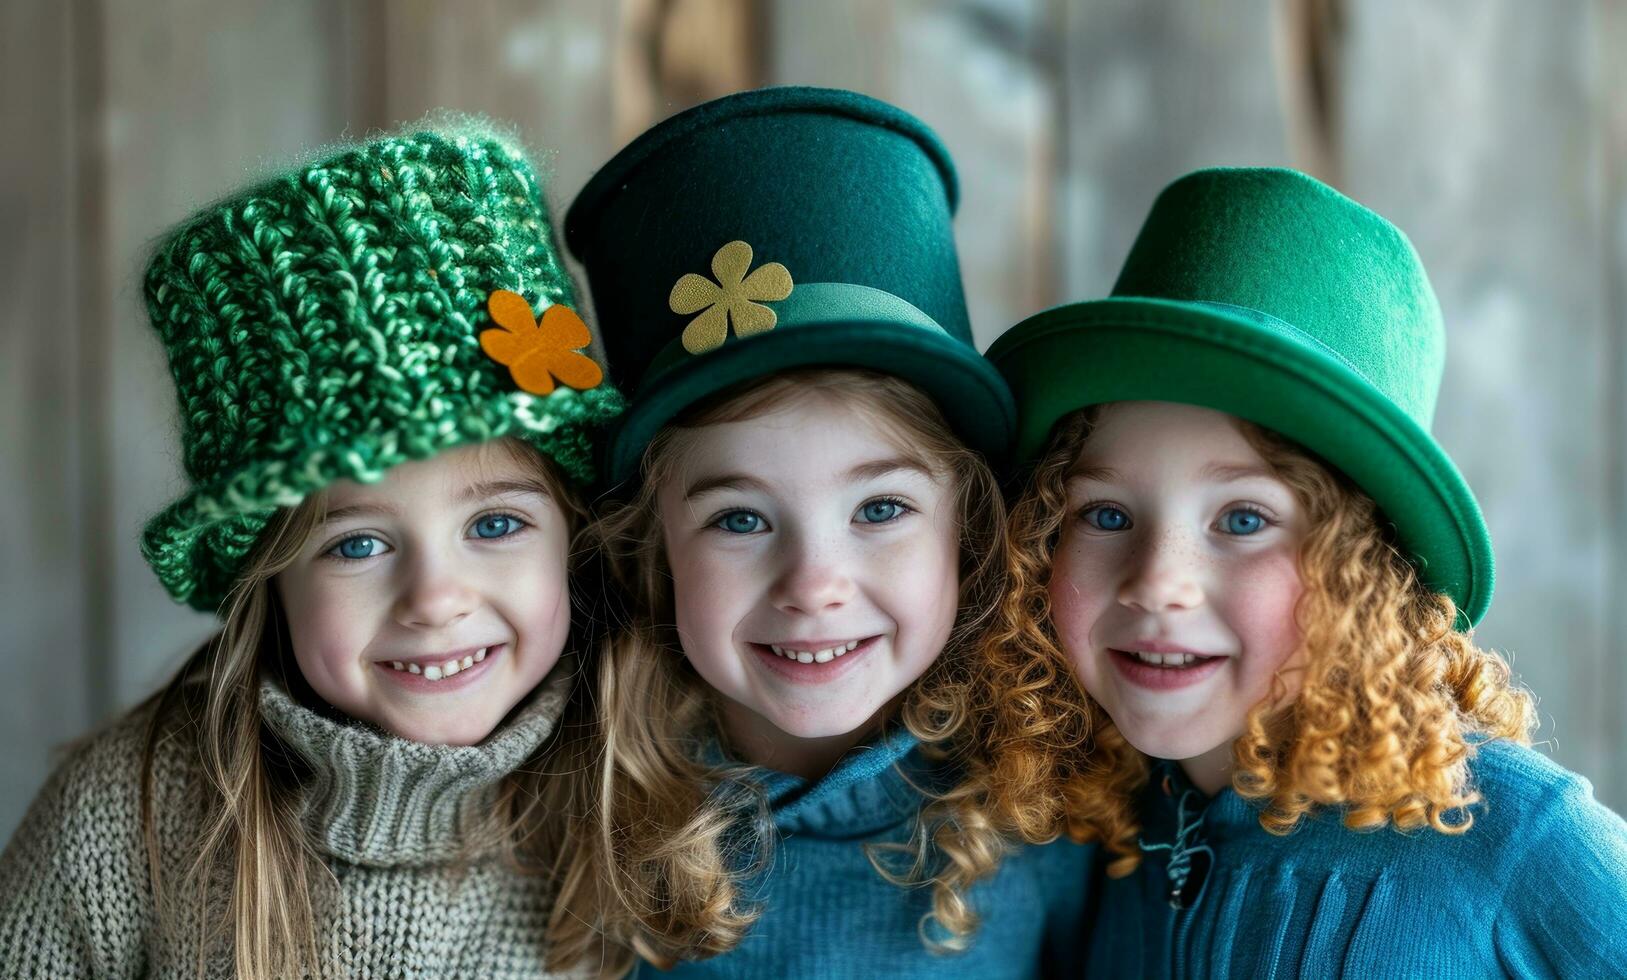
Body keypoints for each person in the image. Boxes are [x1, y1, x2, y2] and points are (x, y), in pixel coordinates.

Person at [0, 118, 622, 979]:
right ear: (271, 576)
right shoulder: (128, 815)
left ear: (574, 532)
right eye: (357, 543)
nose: (435, 598)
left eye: (493, 525)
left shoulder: (620, 791)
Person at [978, 166, 1627, 977]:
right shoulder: (1102, 836)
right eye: (1105, 515)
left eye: (1243, 520)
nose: (1155, 581)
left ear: (1366, 571)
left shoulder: (1511, 839)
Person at [544, 87, 1091, 978]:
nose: (813, 582)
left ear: (967, 528)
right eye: (739, 518)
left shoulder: (1047, 806)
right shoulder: (589, 803)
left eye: (879, 509)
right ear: (653, 545)